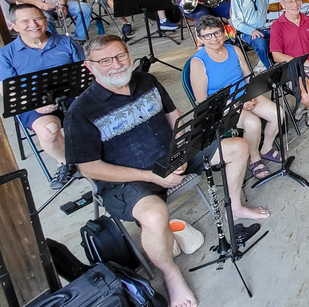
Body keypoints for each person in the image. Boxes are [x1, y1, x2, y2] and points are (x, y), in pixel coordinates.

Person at [65, 35, 269, 307]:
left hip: (172, 156)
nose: (116, 64)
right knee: (154, 213)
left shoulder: (146, 80)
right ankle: (171, 274)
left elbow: (175, 117)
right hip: (130, 179)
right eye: (105, 60)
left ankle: (235, 206)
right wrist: (152, 176)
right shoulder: (81, 111)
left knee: (238, 147)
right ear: (90, 67)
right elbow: (89, 167)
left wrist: (184, 150)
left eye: (121, 56)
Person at [0, 4, 84, 190]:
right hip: (35, 106)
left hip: (72, 98)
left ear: (45, 21)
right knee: (49, 131)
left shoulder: (66, 42)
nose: (33, 24)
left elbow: (86, 71)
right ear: (14, 26)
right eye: (25, 21)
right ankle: (65, 162)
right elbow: (8, 91)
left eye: (38, 19)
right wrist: (36, 104)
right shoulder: (5, 55)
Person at [189, 16, 281, 180]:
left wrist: (251, 95)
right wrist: (236, 103)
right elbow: (202, 101)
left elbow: (248, 78)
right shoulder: (198, 62)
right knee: (253, 123)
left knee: (277, 113)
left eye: (217, 33)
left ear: (224, 32)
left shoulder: (235, 50)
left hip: (245, 96)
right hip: (221, 105)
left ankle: (266, 148)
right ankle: (254, 159)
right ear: (200, 38)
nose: (214, 38)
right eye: (207, 35)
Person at [230, 0, 273, 68]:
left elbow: (265, 11)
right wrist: (251, 30)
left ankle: (281, 61)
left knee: (281, 34)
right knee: (261, 44)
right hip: (247, 32)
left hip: (263, 28)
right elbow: (236, 21)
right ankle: (270, 68)